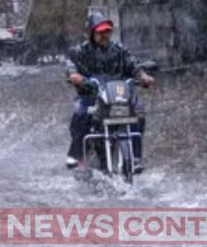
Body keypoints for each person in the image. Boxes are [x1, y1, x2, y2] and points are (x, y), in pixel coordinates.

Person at [65, 12, 155, 171]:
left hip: (118, 95)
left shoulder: (119, 50)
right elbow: (71, 68)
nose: (104, 35)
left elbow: (133, 65)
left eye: (107, 31)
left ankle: (135, 157)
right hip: (91, 95)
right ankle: (76, 154)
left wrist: (143, 76)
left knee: (138, 112)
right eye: (100, 32)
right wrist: (75, 77)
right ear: (91, 33)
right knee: (81, 113)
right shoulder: (80, 52)